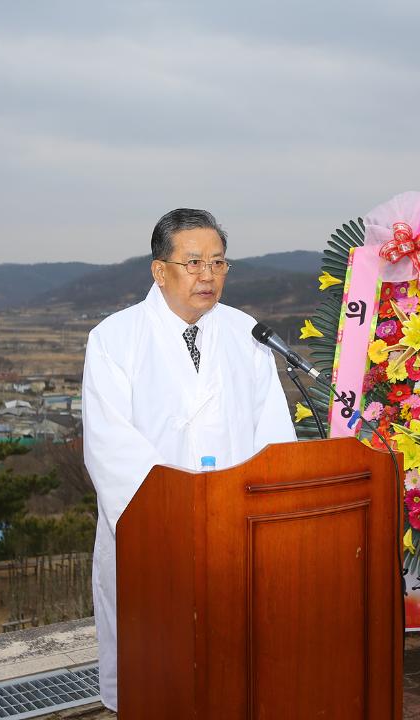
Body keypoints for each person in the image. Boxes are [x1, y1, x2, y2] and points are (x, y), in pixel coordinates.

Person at [81, 208, 297, 711]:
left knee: (236, 669)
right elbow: (111, 447)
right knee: (157, 669)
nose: (208, 275)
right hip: (153, 529)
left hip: (238, 526)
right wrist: (176, 511)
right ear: (160, 270)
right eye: (194, 262)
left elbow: (274, 436)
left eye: (219, 263)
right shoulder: (114, 338)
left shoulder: (248, 334)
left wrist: (259, 508)